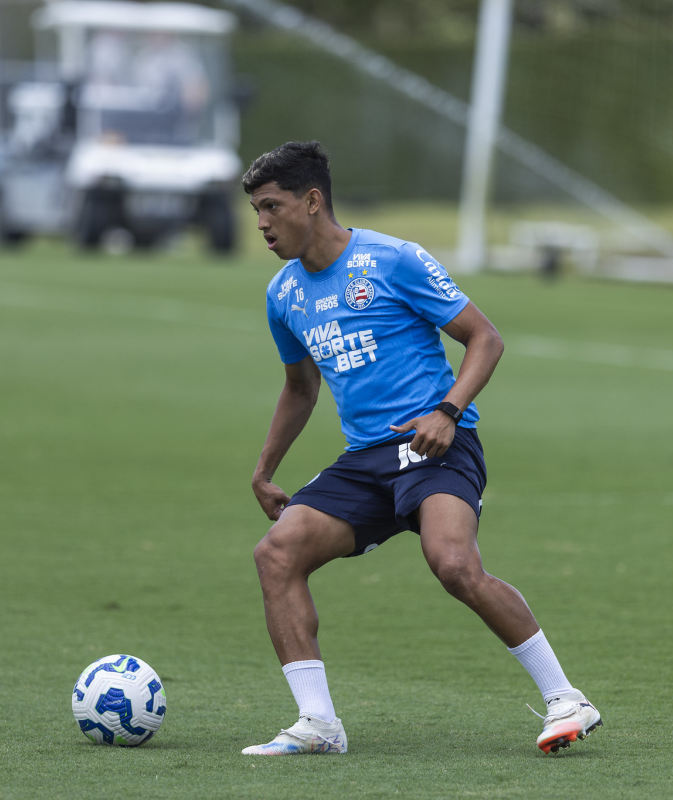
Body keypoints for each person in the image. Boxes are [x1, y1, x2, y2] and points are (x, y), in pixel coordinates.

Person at [239, 141, 601, 757]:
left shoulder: (392, 260)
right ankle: (319, 724)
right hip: (366, 461)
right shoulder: (284, 295)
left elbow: (485, 339)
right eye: (256, 211)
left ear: (312, 200)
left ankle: (566, 698)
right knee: (277, 554)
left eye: (272, 207)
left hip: (436, 443)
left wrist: (447, 412)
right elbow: (300, 387)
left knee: (454, 565)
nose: (262, 224)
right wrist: (265, 469)